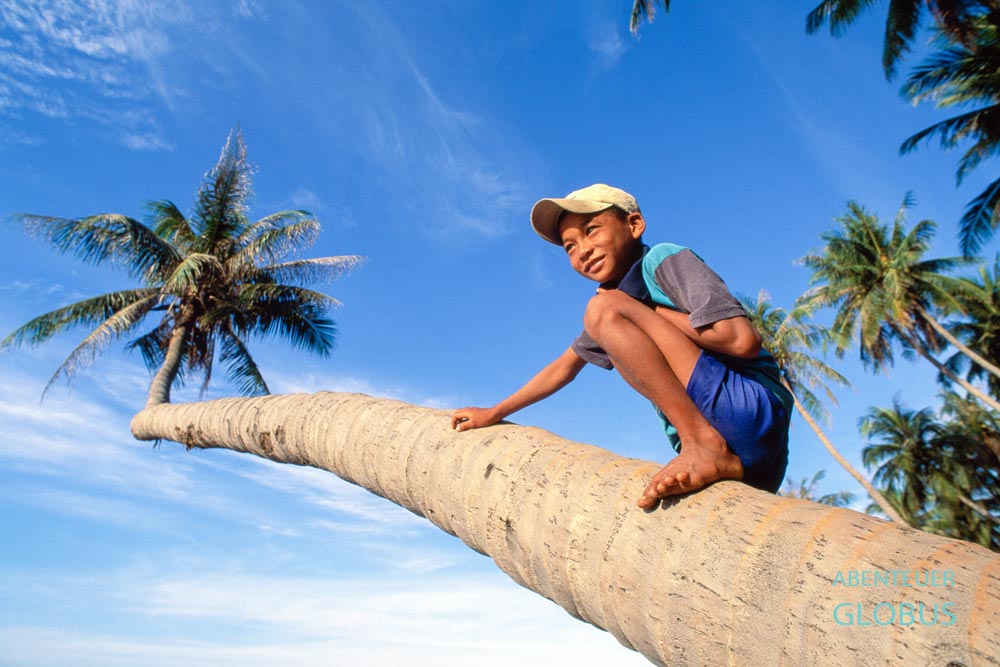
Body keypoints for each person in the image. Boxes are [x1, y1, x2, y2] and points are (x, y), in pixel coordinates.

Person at [450, 184, 792, 509]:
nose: (581, 249)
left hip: (752, 413)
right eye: (569, 246)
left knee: (602, 309)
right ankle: (702, 444)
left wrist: (644, 309)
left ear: (634, 224)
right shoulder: (617, 304)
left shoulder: (661, 260)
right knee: (602, 312)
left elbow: (741, 340)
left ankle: (700, 443)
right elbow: (563, 369)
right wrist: (494, 413)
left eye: (592, 229)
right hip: (756, 470)